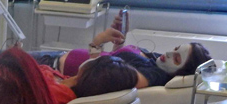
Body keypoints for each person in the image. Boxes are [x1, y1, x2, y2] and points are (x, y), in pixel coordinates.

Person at [31, 14, 211, 88]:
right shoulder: (157, 61)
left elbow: (105, 75)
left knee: (11, 59)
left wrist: (97, 43)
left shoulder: (154, 74)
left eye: (177, 59)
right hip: (55, 58)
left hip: (53, 68)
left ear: (182, 71)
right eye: (175, 49)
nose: (170, 54)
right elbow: (118, 62)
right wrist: (119, 42)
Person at [0, 50, 139, 104]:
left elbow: (26, 91)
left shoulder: (63, 93)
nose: (93, 57)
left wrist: (20, 61)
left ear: (93, 71)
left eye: (97, 60)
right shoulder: (68, 81)